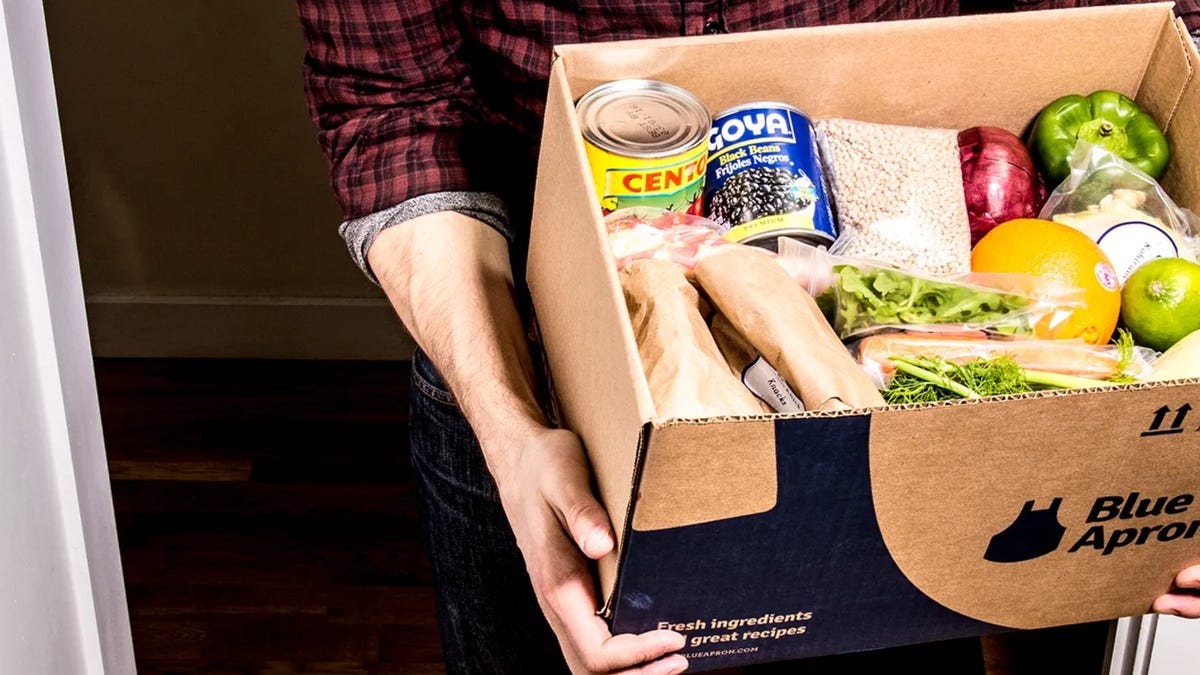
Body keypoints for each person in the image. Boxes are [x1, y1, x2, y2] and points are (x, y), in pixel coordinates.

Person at [294, 2, 1200, 673]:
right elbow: (395, 114)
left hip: (902, 421)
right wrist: (512, 431)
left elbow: (1166, 36)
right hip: (524, 387)